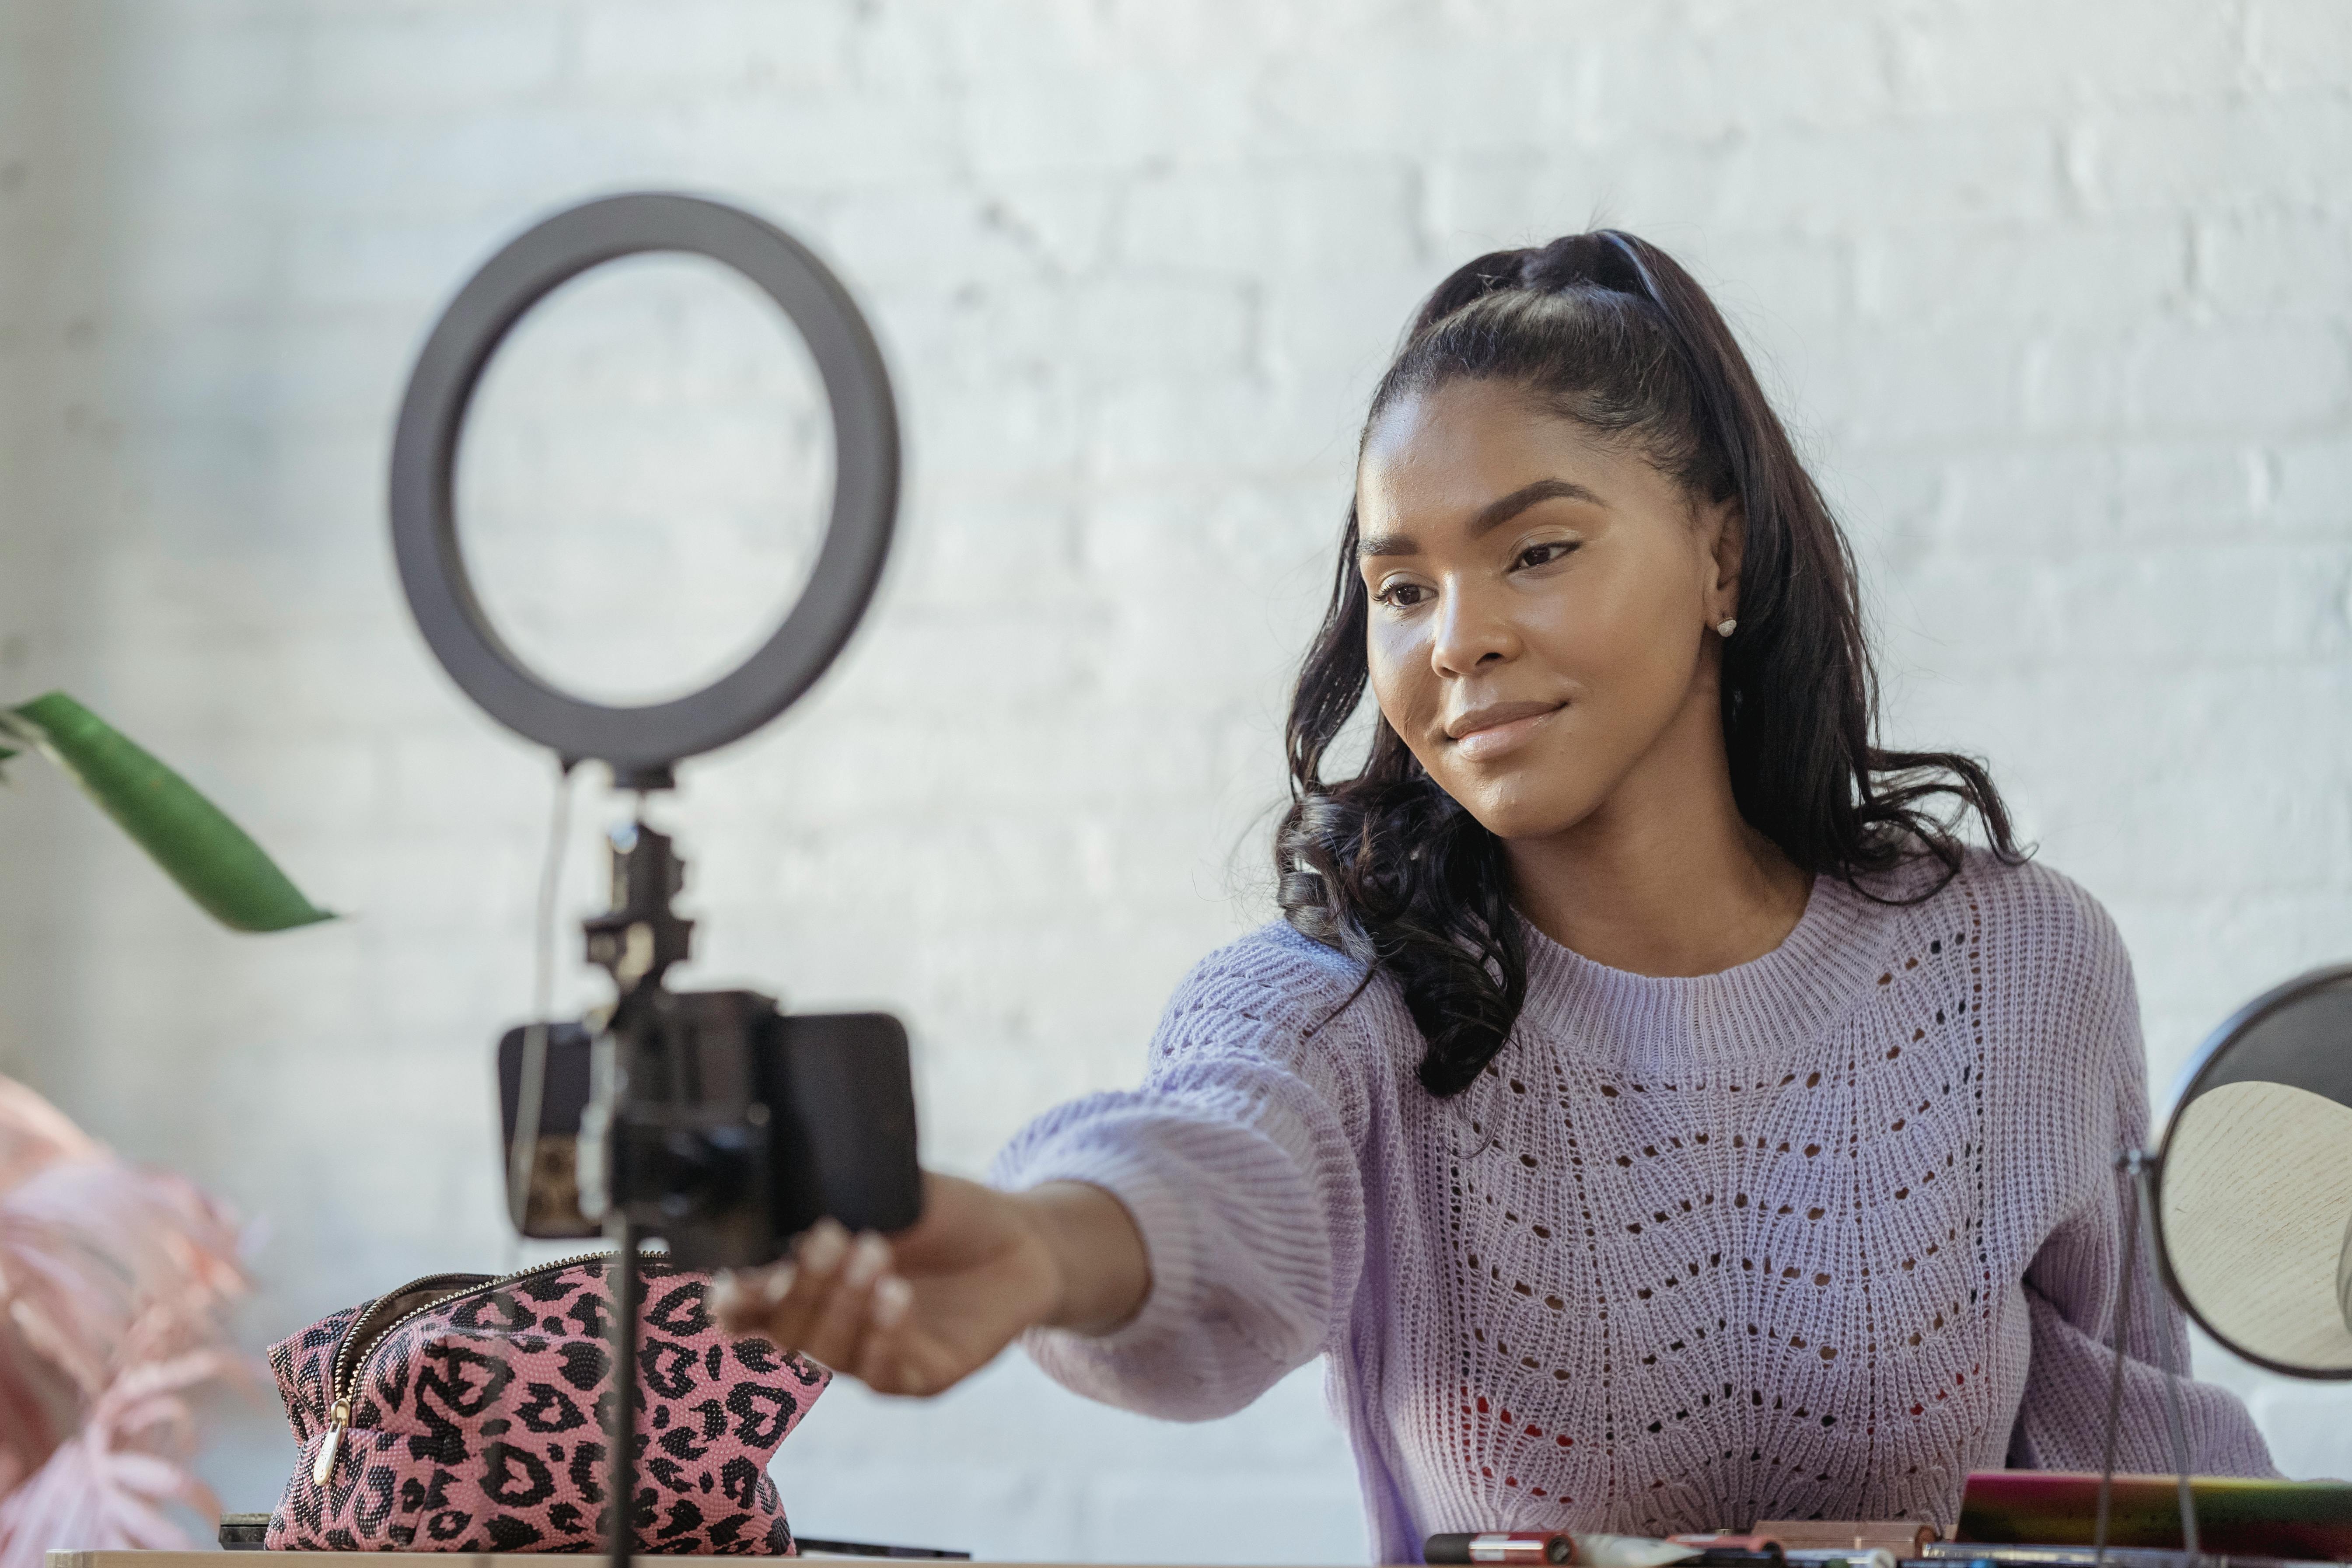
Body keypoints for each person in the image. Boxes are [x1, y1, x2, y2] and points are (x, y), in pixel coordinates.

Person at [711, 231, 2275, 1558]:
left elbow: (2141, 1478)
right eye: (1402, 587)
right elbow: (1209, 1161)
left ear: (1720, 557)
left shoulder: (2014, 963)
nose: (1453, 638)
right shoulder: (1345, 999)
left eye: (1533, 550)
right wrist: (1048, 1242)